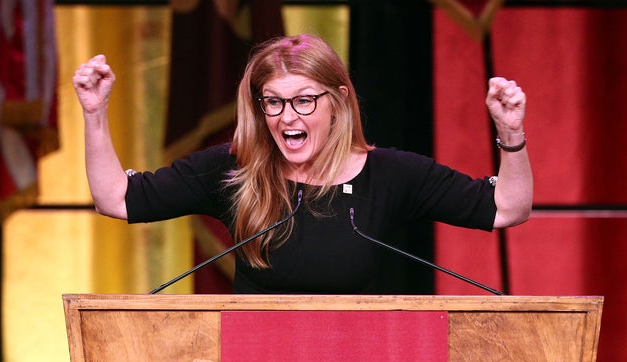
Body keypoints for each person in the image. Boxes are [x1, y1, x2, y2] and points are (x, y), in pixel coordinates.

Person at [72, 33, 532, 294]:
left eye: (304, 101)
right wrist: (95, 114)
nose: (287, 117)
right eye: (272, 102)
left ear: (339, 102)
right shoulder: (233, 171)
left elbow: (507, 208)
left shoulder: (393, 175)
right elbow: (117, 198)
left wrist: (511, 136)